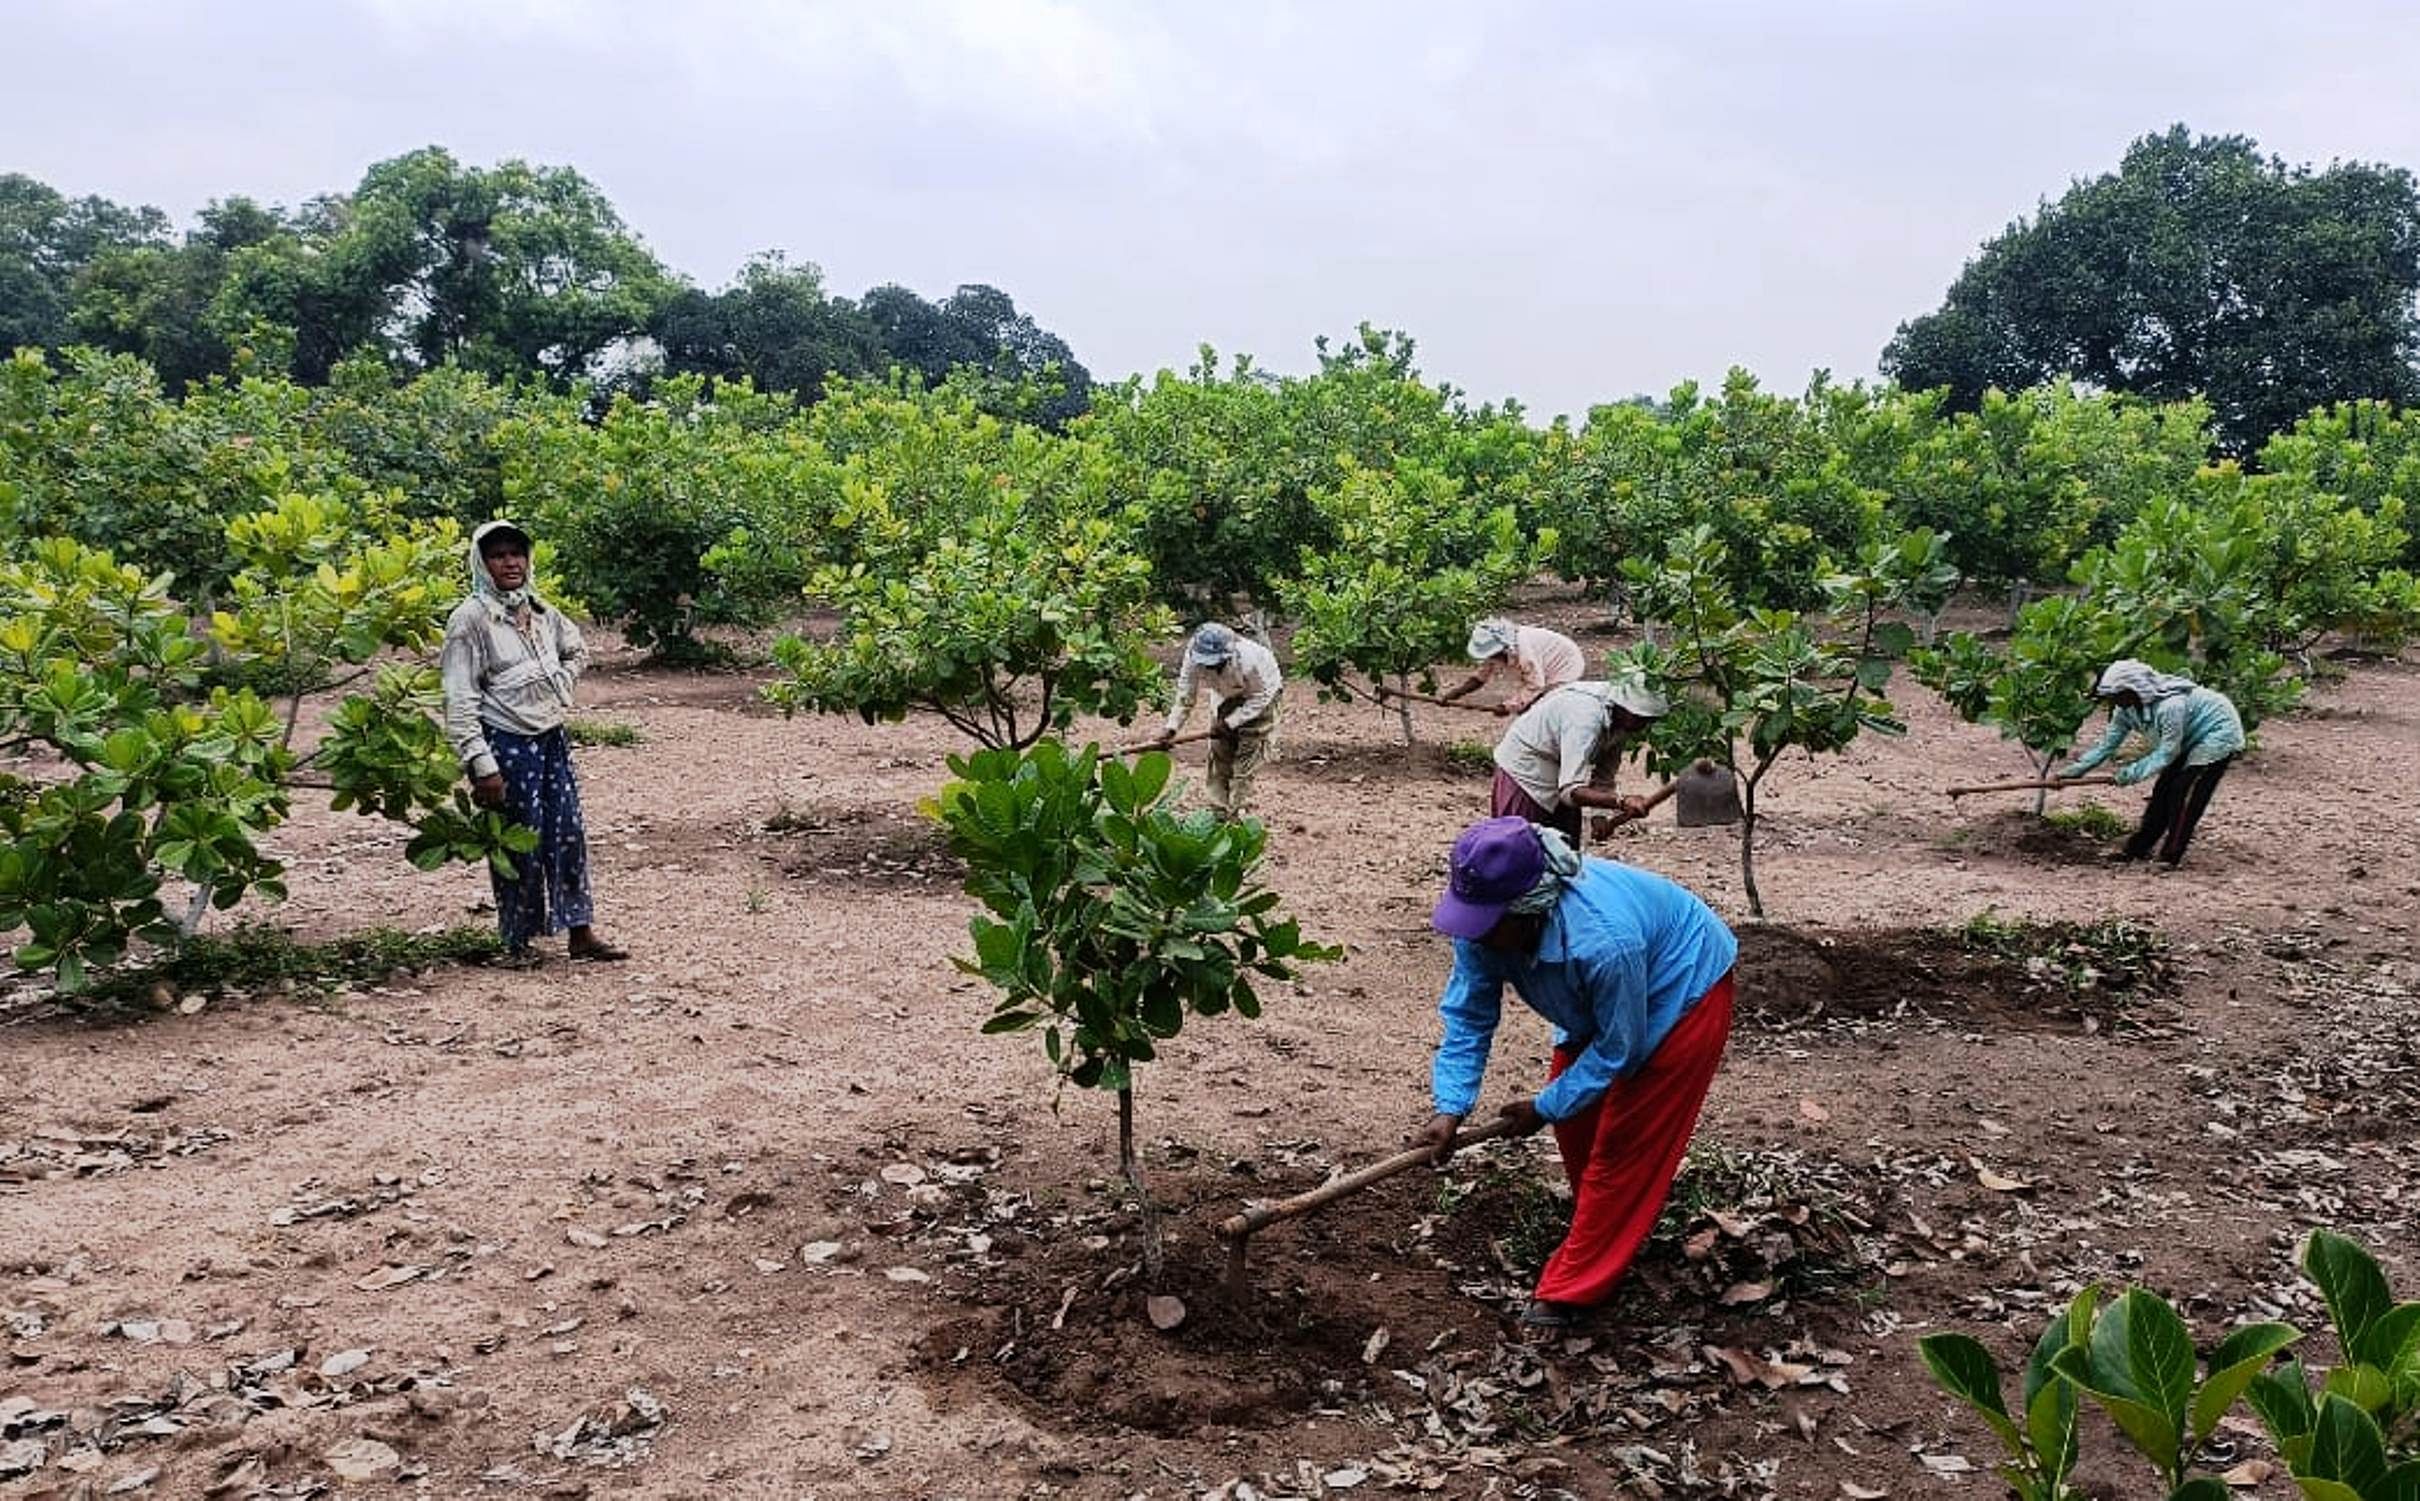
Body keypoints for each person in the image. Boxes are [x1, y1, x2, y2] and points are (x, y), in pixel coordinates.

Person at [1411, 817, 1738, 1331]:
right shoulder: (1480, 928)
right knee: (1578, 1124)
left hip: (1683, 988)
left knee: (1625, 1144)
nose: (1477, 932)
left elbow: (1617, 1051)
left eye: (1490, 922)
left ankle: (1572, 1291)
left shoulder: (1603, 941)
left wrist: (1542, 1107)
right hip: (1600, 1002)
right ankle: (1607, 1226)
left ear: (1530, 907)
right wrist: (1449, 1107)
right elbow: (1470, 1014)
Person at [439, 520, 626, 966]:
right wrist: (481, 763)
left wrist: (560, 681)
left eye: (517, 553)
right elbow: (460, 697)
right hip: (506, 743)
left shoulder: (540, 610)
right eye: (499, 555)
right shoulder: (470, 620)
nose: (511, 562)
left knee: (567, 833)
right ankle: (517, 942)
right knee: (519, 841)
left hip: (550, 738)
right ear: (482, 563)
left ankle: (580, 932)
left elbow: (576, 648)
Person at [2056, 659, 2244, 868]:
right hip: (2186, 738)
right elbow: (2106, 746)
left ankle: (2171, 855)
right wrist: (2073, 771)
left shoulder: (2170, 706)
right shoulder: (2124, 711)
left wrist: (2130, 774)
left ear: (2134, 689)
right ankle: (2137, 849)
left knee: (2182, 792)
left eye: (2117, 696)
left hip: (2217, 733)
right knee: (2162, 790)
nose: (2113, 702)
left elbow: (2167, 753)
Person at [1490, 678, 1668, 840]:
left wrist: (1599, 816)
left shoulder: (1623, 722)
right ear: (1624, 706)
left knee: (1564, 854)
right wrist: (1621, 801)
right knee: (1522, 848)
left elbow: (1604, 776)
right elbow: (1571, 791)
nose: (1643, 725)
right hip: (1526, 773)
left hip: (1563, 770)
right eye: (1640, 718)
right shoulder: (1585, 716)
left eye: (1649, 720)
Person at [1151, 623, 1283, 818]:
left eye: (1215, 663)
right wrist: (1172, 727)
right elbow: (1186, 691)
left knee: (1247, 756)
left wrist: (1232, 722)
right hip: (1225, 697)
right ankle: (1218, 812)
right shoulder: (1193, 657)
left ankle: (1237, 813)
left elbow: (1261, 697)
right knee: (1220, 753)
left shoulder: (1252, 660)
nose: (1210, 667)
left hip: (1261, 699)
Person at [1437, 618, 1586, 716]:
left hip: (1565, 666)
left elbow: (1535, 685)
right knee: (1528, 709)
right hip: (1544, 667)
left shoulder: (1524, 653)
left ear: (1503, 649)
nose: (1492, 659)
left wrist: (1508, 706)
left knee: (1540, 710)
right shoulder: (1495, 651)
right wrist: (1457, 693)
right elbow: (1480, 677)